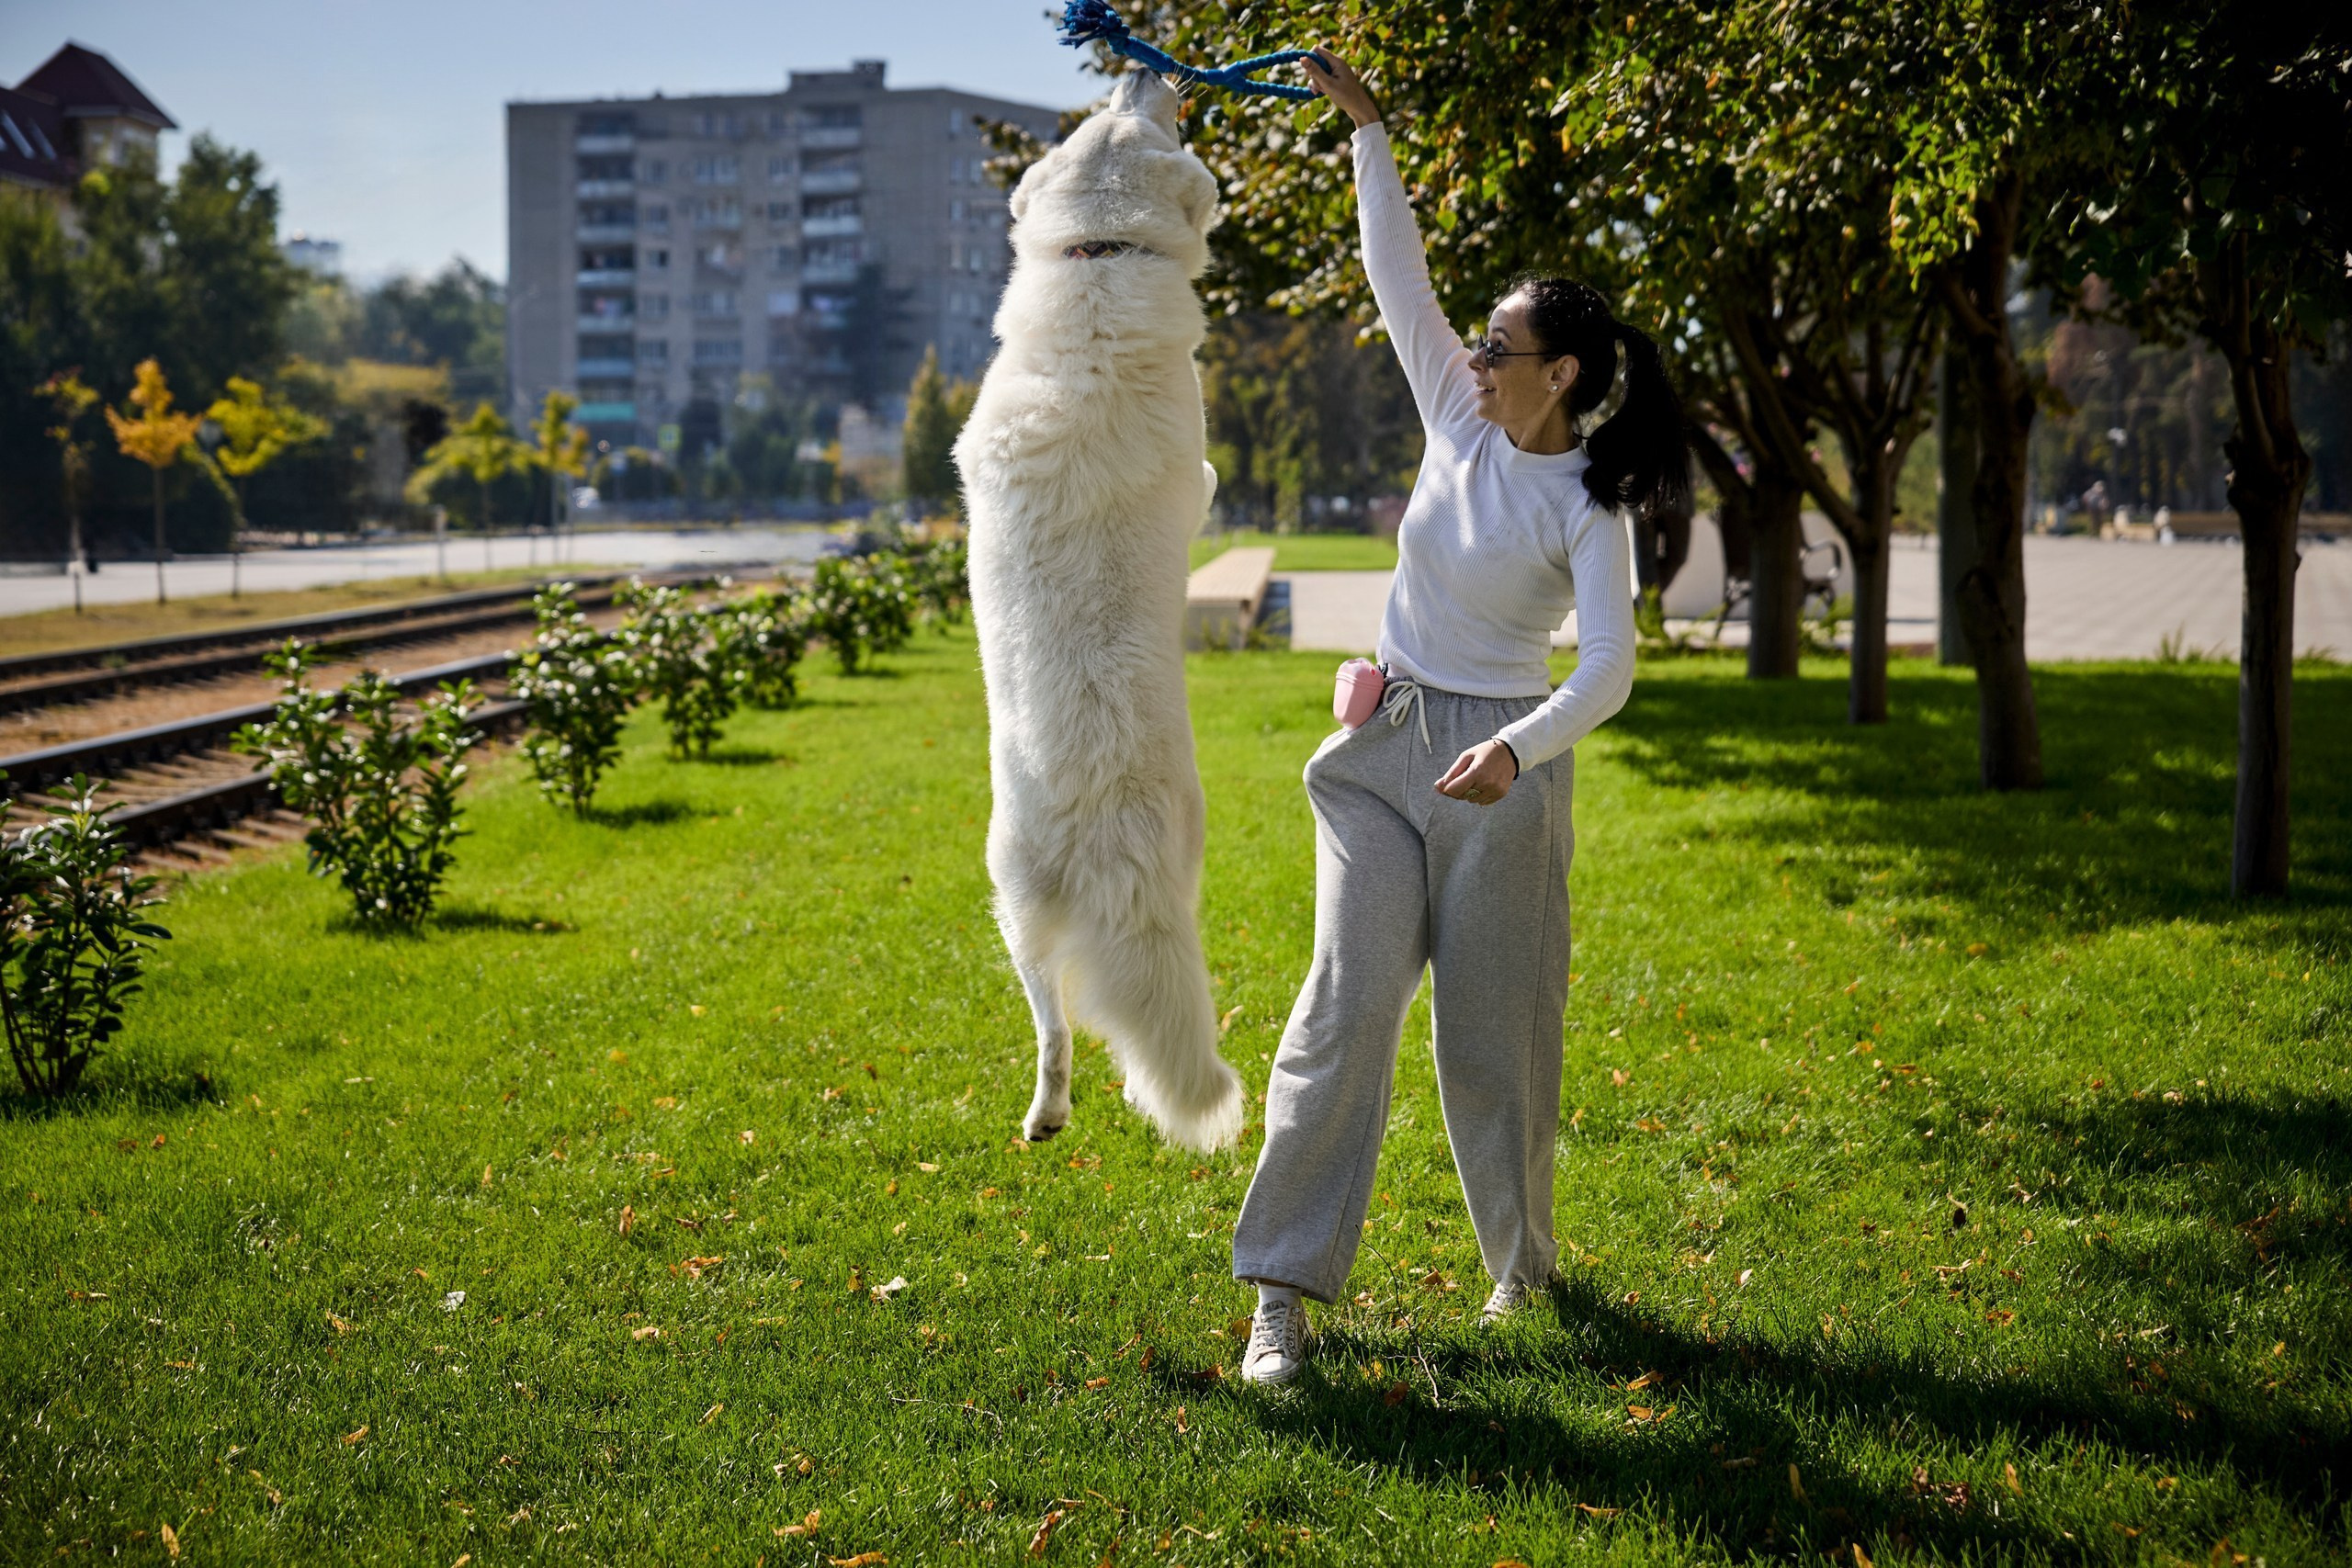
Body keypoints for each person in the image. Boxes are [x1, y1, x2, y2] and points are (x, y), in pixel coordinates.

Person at [1231, 48, 1690, 1385]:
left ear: (1563, 376)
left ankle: (1521, 1265)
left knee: (1496, 1040)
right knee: (1343, 1006)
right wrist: (1370, 133)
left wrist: (1518, 749)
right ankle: (1281, 1297)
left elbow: (1607, 668)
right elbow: (1395, 277)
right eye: (1479, 341)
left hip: (1505, 778)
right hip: (1385, 755)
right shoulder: (1455, 419)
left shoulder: (1587, 508)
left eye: (1502, 346)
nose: (1475, 355)